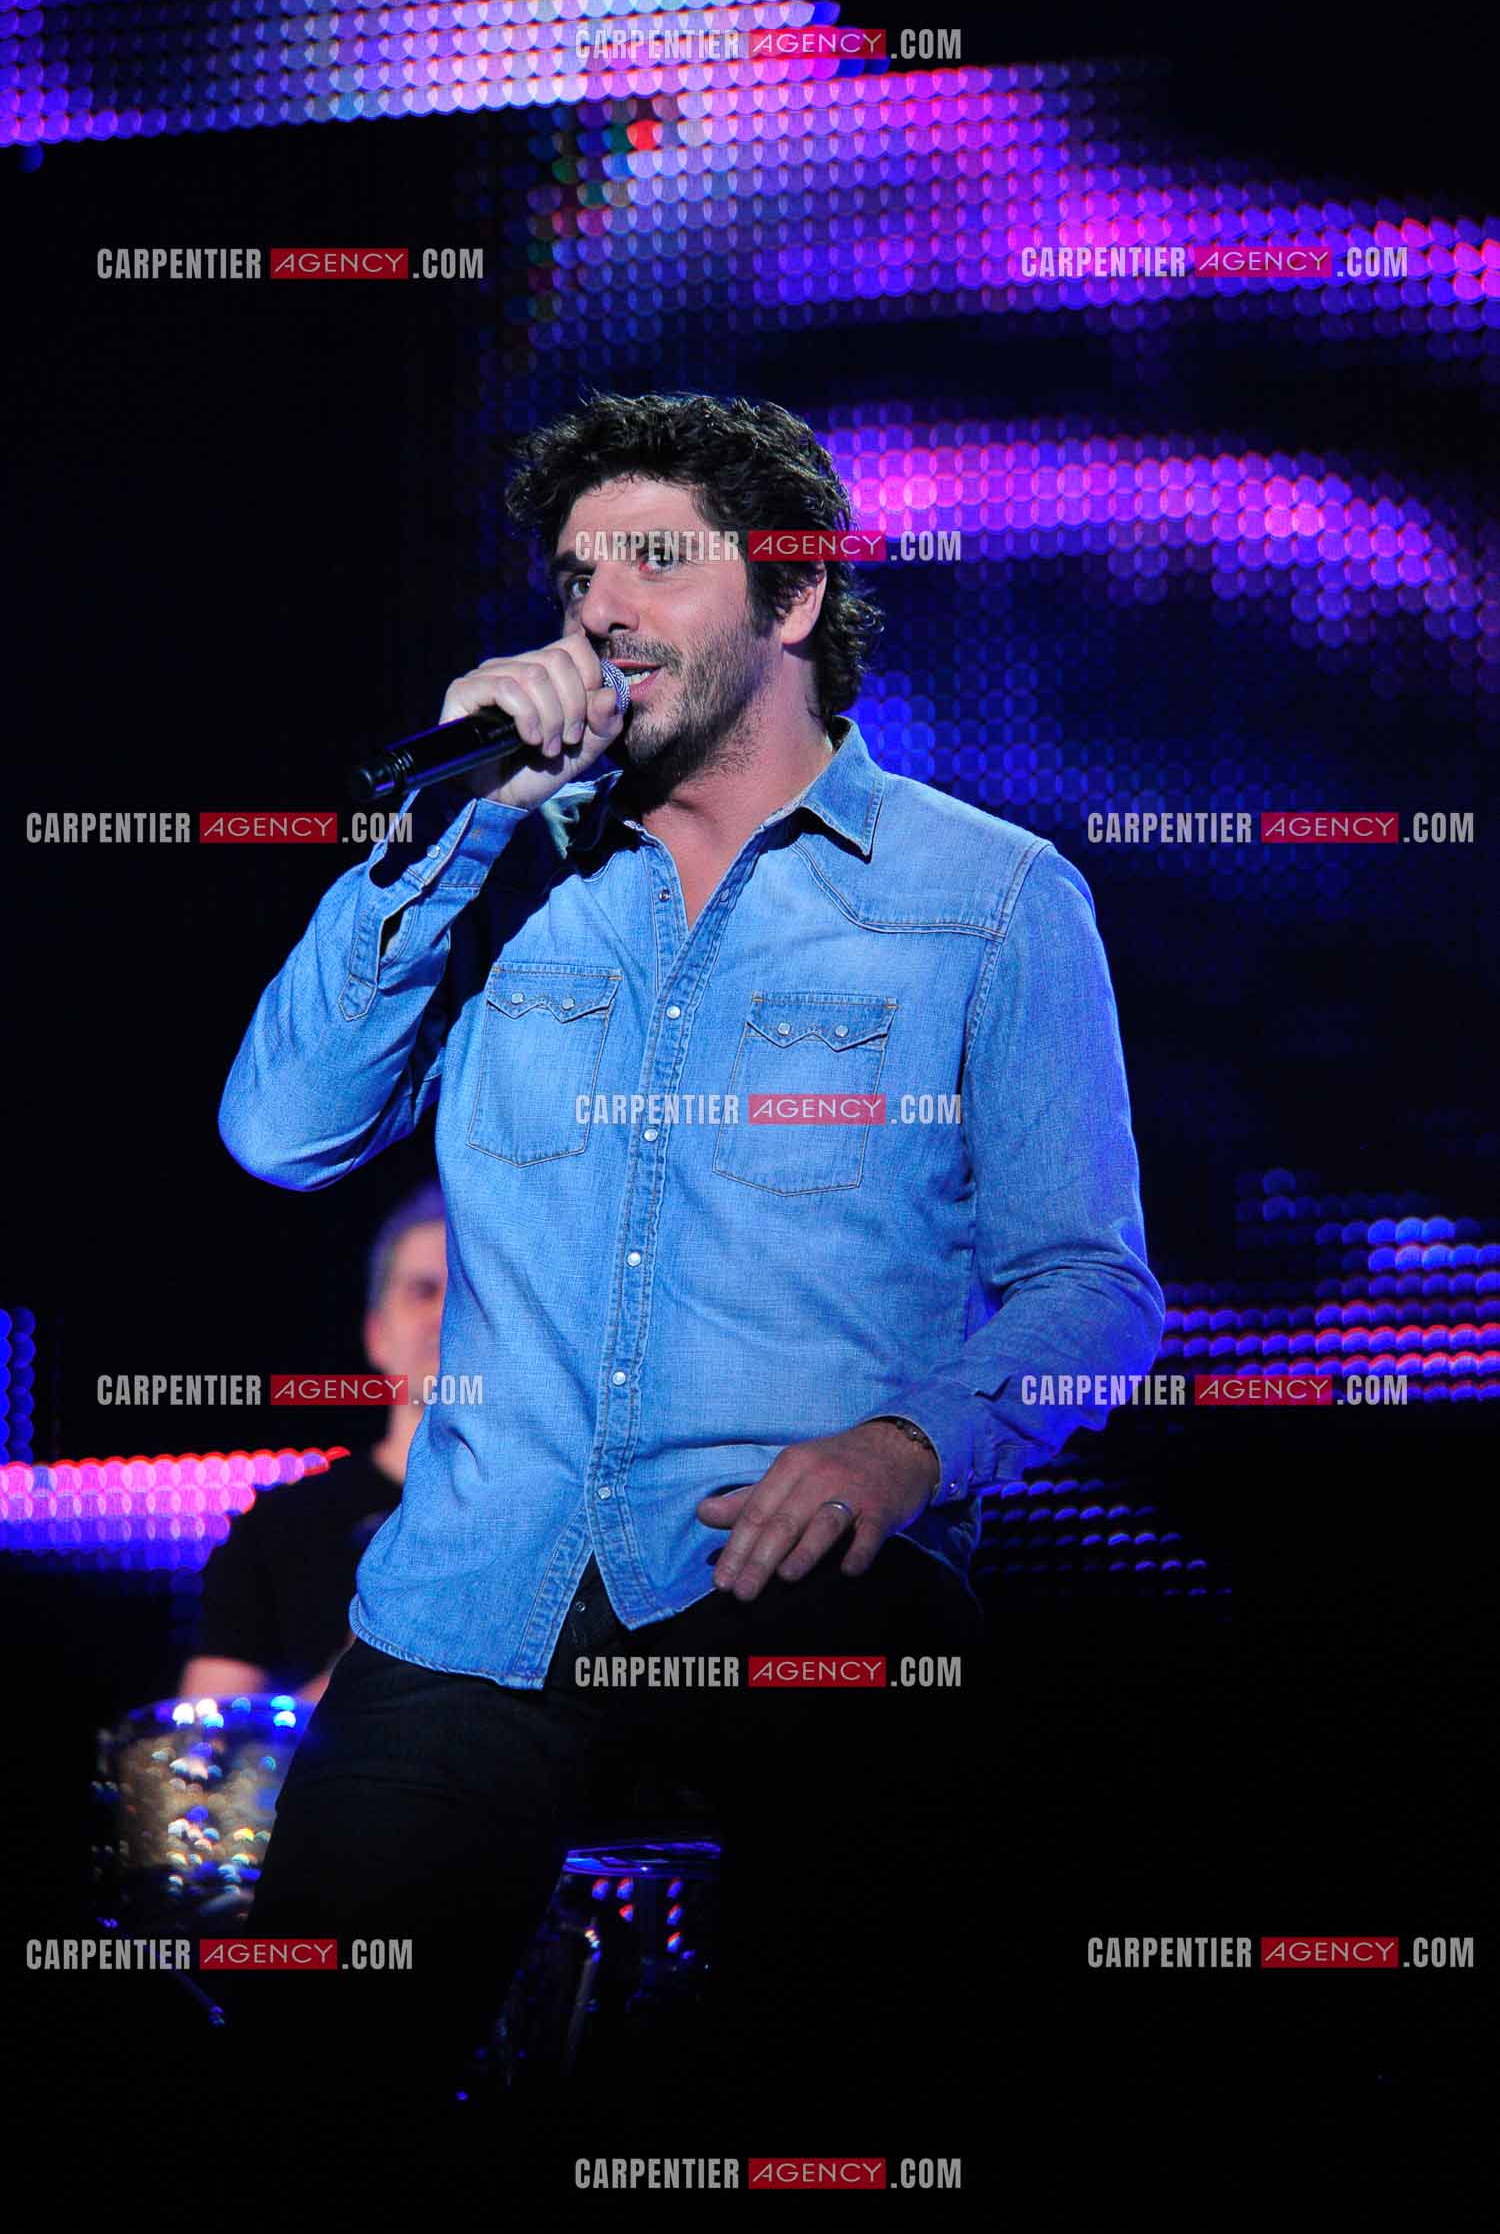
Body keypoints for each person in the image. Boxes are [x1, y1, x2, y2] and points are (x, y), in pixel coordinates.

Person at [216, 391, 1163, 2176]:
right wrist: (456, 822)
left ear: (792, 599)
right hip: (483, 1583)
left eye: (658, 558)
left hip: (803, 1572)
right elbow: (278, 1131)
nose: (603, 608)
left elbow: (1091, 1288)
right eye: (580, 571)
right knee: (298, 2091)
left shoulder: (988, 898)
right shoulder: (503, 867)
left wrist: (911, 1447)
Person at [178, 1185, 446, 1704]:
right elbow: (210, 1759)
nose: (446, 1317)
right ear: (375, 1334)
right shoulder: (277, 1528)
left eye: (471, 1296)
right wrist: (366, 1665)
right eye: (423, 1291)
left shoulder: (554, 1521)